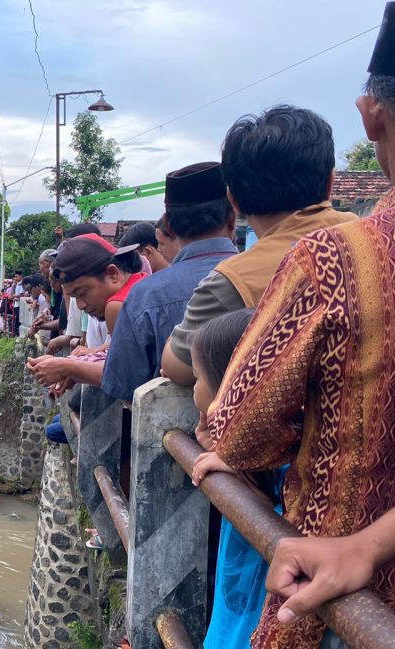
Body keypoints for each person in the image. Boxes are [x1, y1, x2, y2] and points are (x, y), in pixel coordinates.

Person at [191, 105, 395, 649]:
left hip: (341, 578)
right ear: (330, 181)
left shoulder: (332, 260)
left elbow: (241, 431)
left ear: (371, 117)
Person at [161, 106, 357, 387]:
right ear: (330, 183)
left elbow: (176, 367)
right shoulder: (376, 238)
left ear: (234, 201)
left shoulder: (230, 282)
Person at [101, 162, 239, 403]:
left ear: (169, 225)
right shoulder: (275, 276)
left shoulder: (144, 296)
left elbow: (122, 388)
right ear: (232, 217)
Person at [185, 309, 279, 649]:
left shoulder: (270, 467)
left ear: (231, 387)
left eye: (197, 379)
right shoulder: (258, 455)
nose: (194, 389)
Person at [26, 234, 144, 390]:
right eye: (74, 296)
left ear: (113, 274)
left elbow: (124, 377)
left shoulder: (117, 306)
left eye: (83, 292)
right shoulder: (140, 287)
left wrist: (67, 367)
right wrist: (72, 367)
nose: (81, 305)